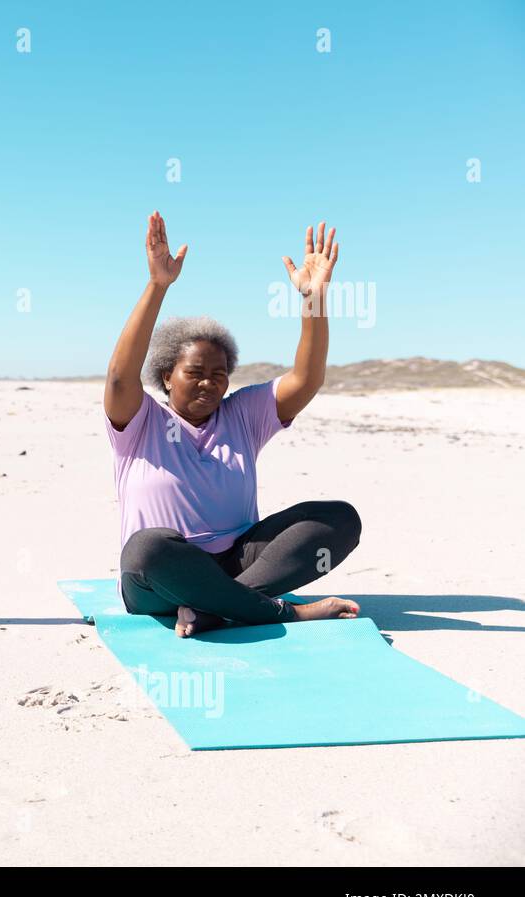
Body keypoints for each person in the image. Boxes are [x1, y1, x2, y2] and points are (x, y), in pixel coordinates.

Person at [103, 211, 362, 637]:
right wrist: (157, 286)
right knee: (148, 547)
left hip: (238, 562)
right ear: (167, 375)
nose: (209, 382)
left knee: (338, 519)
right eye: (196, 372)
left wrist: (313, 300)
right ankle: (280, 612)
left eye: (220, 374)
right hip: (161, 577)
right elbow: (118, 377)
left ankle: (218, 608)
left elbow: (306, 379)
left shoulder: (241, 414)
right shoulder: (139, 420)